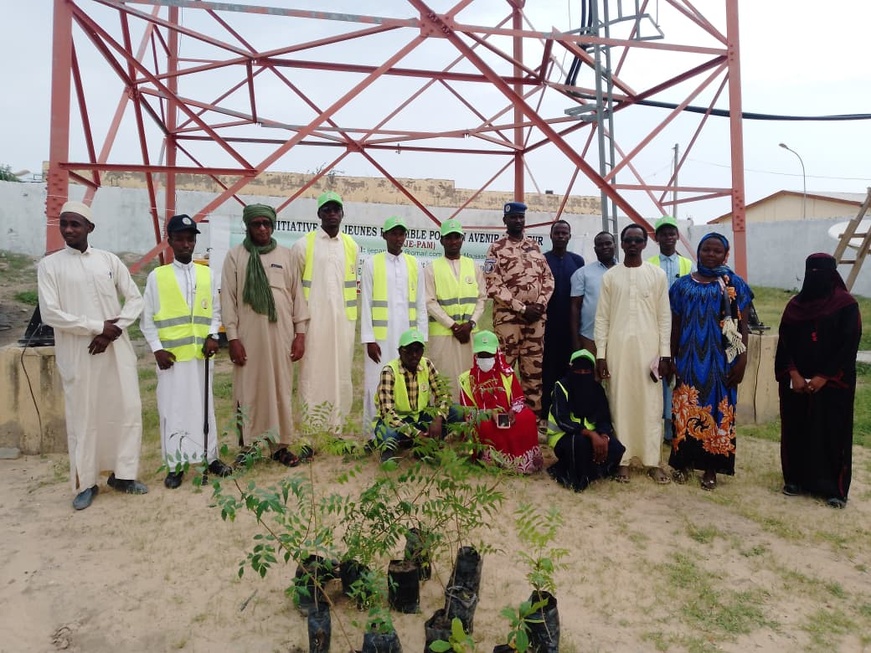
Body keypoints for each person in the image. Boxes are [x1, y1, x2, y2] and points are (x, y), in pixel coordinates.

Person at [37, 200, 147, 510]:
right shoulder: (50, 265)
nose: (68, 230)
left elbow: (135, 299)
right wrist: (97, 327)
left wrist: (114, 329)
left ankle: (123, 475)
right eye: (64, 224)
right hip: (79, 353)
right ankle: (86, 482)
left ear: (90, 228)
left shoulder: (109, 260)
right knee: (84, 417)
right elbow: (50, 313)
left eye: (75, 224)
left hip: (115, 350)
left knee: (126, 409)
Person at [140, 214, 233, 488]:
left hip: (201, 356)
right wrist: (157, 349)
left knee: (205, 408)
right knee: (174, 410)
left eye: (190, 239)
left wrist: (213, 335)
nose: (185, 244)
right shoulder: (157, 277)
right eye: (179, 239)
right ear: (170, 241)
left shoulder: (207, 274)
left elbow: (215, 311)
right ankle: (176, 464)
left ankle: (210, 457)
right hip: (171, 359)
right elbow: (147, 319)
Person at [222, 204, 309, 467]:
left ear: (273, 226)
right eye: (256, 224)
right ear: (247, 226)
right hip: (248, 339)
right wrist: (233, 338)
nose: (262, 228)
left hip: (281, 337)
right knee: (247, 390)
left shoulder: (287, 255)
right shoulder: (235, 256)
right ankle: (248, 446)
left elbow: (297, 297)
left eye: (266, 223)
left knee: (280, 389)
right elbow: (228, 300)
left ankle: (280, 446)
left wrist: (300, 334)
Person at [776, 253, 861, 508]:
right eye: (811, 272)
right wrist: (793, 373)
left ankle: (834, 488)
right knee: (796, 428)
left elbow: (849, 344)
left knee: (831, 431)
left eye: (821, 272)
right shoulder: (795, 306)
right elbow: (785, 342)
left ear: (832, 274)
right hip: (798, 383)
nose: (815, 277)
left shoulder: (846, 305)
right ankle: (795, 480)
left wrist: (825, 375)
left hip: (833, 382)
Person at [667, 233, 751, 491]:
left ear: (725, 255)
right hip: (688, 360)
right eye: (706, 250)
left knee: (718, 411)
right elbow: (675, 325)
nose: (711, 255)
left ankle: (711, 468)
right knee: (685, 410)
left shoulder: (734, 284)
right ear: (699, 252)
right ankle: (683, 463)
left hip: (721, 362)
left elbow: (743, 326)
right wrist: (670, 357)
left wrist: (742, 360)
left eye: (717, 251)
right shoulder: (681, 286)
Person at [594, 224, 671, 484]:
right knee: (619, 402)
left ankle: (652, 461)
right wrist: (601, 355)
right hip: (618, 350)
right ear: (622, 244)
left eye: (638, 240)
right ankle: (622, 461)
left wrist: (665, 354)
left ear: (645, 244)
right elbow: (602, 318)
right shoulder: (611, 277)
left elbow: (664, 317)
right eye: (629, 240)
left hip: (650, 351)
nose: (633, 244)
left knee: (651, 404)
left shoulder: (657, 275)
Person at [291, 191, 359, 434]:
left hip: (343, 323)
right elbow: (294, 289)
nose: (332, 214)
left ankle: (336, 427)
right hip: (314, 322)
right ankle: (311, 429)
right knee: (312, 373)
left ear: (342, 213)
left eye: (336, 209)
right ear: (319, 214)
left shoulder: (351, 246)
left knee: (340, 373)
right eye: (327, 210)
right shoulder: (303, 245)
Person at [484, 201, 555, 415]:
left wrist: (540, 304)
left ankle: (532, 421)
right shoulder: (496, 248)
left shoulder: (534, 247)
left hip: (535, 322)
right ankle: (501, 419)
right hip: (509, 322)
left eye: (521, 217)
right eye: (513, 217)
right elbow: (493, 284)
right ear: (505, 220)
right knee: (503, 371)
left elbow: (548, 279)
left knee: (533, 372)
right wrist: (522, 308)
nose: (518, 221)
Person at [361, 216, 428, 431]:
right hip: (380, 339)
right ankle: (374, 432)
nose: (398, 238)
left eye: (401, 234)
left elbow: (420, 304)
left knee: (405, 383)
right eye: (393, 234)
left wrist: (421, 338)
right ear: (384, 235)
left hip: (408, 338)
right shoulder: (372, 264)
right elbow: (366, 304)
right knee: (377, 382)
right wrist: (369, 339)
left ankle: (405, 431)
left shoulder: (414, 264)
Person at [458, 330, 543, 474]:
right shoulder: (466, 379)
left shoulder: (507, 374)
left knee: (528, 417)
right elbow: (467, 411)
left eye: (489, 355)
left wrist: (512, 411)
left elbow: (518, 399)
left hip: (506, 416)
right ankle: (494, 460)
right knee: (485, 425)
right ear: (476, 355)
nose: (485, 359)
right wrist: (489, 414)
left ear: (496, 353)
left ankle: (522, 462)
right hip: (482, 418)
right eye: (481, 355)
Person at [424, 218, 487, 401]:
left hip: (469, 333)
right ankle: (443, 416)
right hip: (443, 334)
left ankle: (468, 417)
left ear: (462, 239)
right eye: (449, 237)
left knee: (469, 377)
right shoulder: (431, 269)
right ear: (441, 240)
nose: (453, 241)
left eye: (457, 237)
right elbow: (429, 302)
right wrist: (453, 325)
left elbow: (481, 299)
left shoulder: (473, 266)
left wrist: (471, 324)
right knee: (444, 378)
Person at [546, 349, 626, 491]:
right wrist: (590, 434)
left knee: (616, 448)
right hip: (564, 436)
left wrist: (604, 436)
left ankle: (590, 472)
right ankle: (570, 474)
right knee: (579, 443)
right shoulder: (561, 386)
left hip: (592, 436)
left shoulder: (597, 389)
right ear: (571, 369)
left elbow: (604, 419)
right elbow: (562, 420)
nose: (582, 374)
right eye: (578, 370)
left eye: (586, 370)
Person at [374, 328, 455, 461]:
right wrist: (416, 434)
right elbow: (388, 414)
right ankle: (392, 452)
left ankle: (426, 443)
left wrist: (439, 417)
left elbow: (443, 393)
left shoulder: (426, 364)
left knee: (455, 412)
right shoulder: (389, 372)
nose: (414, 355)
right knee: (386, 432)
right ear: (400, 351)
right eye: (409, 351)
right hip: (399, 421)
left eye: (418, 350)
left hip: (421, 417)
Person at [647, 215, 694, 443]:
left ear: (677, 236)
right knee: (658, 373)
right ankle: (661, 427)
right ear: (657, 238)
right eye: (664, 234)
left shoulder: (687, 265)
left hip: (681, 327)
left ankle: (677, 426)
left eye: (672, 233)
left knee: (678, 374)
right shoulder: (649, 264)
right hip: (655, 326)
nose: (668, 237)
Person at [542, 220, 585, 422]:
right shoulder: (542, 260)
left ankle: (567, 411)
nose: (560, 236)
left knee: (569, 369)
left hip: (570, 326)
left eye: (564, 233)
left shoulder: (577, 261)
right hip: (546, 326)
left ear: (569, 236)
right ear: (551, 235)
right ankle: (545, 411)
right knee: (547, 370)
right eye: (557, 233)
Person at [569, 231, 616, 355]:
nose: (604, 247)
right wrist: (576, 341)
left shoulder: (625, 271)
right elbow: (575, 308)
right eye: (600, 245)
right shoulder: (582, 273)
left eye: (608, 243)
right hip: (589, 338)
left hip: (619, 337)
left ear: (615, 245)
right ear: (595, 249)